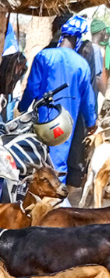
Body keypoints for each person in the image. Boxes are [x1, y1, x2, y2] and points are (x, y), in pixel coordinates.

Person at [20, 15, 97, 187]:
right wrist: (92, 123)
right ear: (77, 38)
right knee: (57, 166)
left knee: (36, 160)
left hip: (41, 121)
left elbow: (32, 89)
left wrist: (22, 109)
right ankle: (53, 204)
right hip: (64, 126)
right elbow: (88, 102)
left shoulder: (44, 56)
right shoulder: (81, 65)